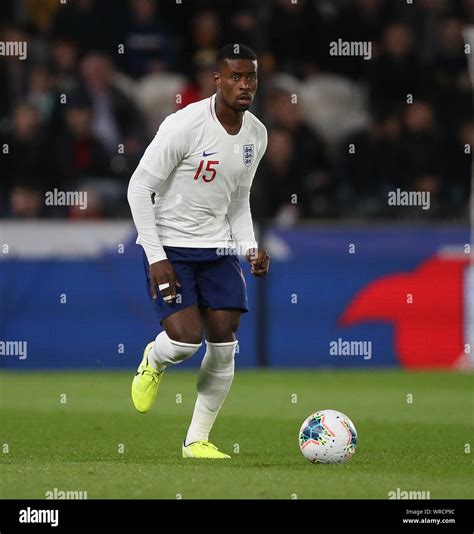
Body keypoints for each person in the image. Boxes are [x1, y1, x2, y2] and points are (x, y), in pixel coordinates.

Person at [127, 44, 269, 459]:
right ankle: (154, 358)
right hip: (171, 246)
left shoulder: (256, 135)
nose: (245, 85)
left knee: (224, 340)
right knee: (187, 341)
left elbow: (239, 200)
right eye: (236, 77)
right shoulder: (184, 125)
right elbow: (139, 188)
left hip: (218, 248)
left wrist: (250, 247)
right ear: (217, 80)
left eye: (251, 78)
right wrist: (156, 257)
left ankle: (197, 441)